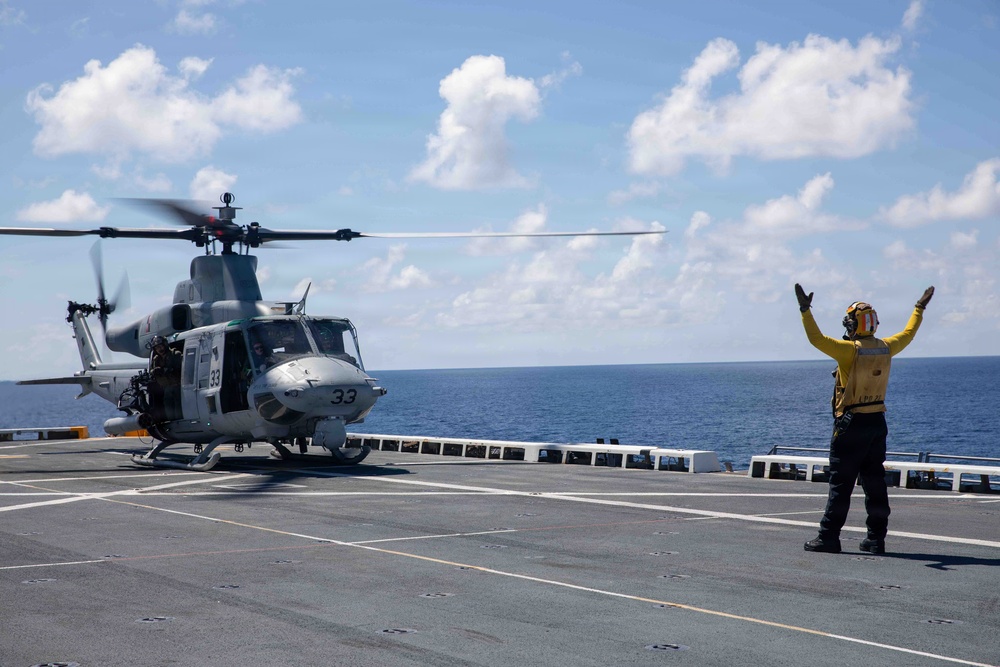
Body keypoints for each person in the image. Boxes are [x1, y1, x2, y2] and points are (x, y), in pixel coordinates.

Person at [795, 283, 934, 555]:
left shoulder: (849, 351)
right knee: (875, 482)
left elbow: (816, 339)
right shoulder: (886, 348)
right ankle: (876, 539)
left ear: (853, 325)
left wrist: (805, 310)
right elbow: (909, 333)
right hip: (876, 424)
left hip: (851, 425)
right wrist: (919, 308)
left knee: (841, 484)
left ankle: (829, 537)